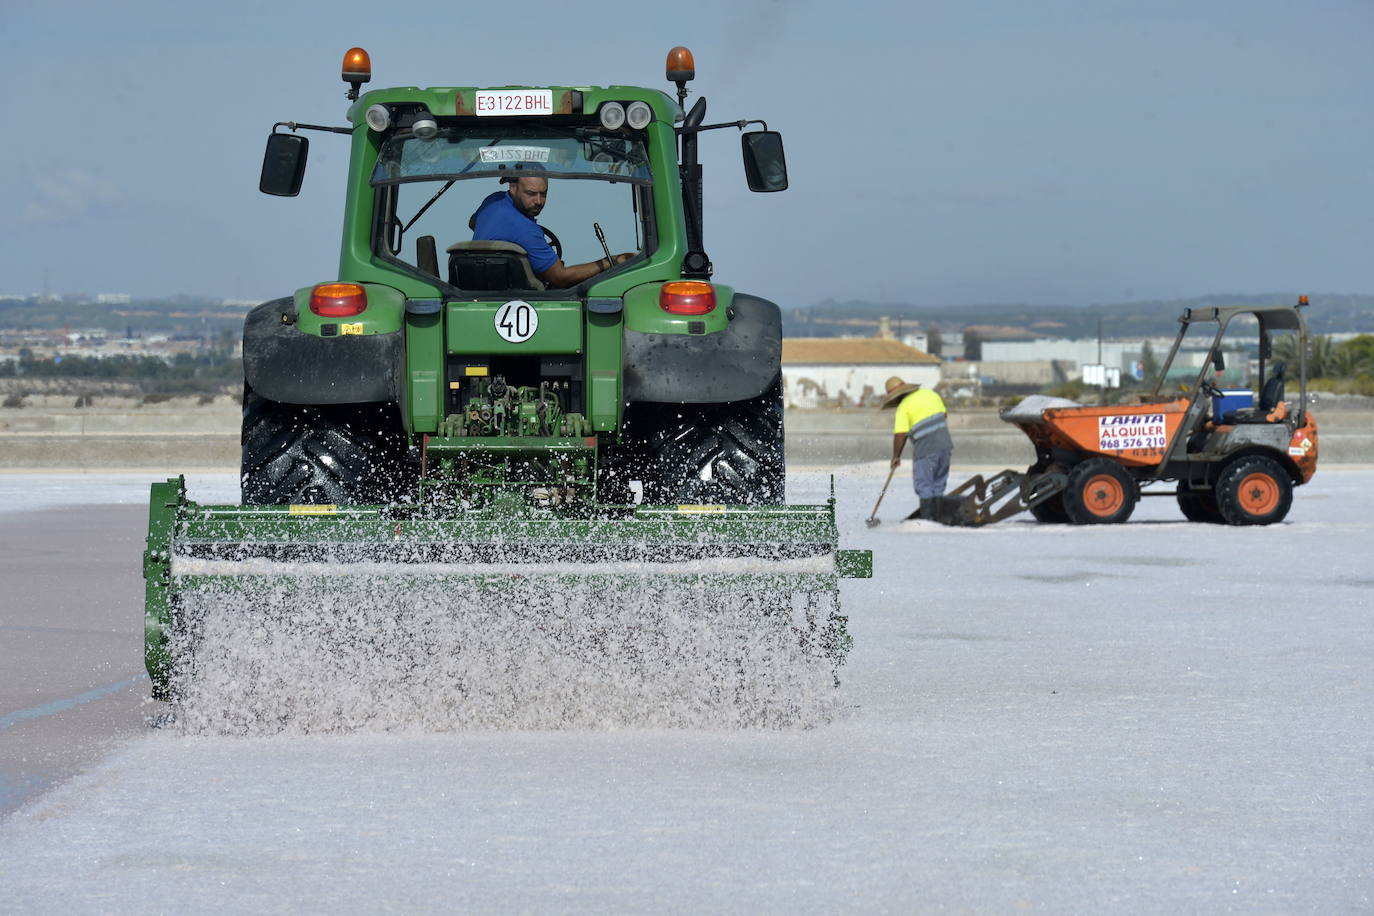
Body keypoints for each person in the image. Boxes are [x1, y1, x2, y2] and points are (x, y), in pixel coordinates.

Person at [469, 175, 633, 288]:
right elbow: (561, 278)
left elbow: (472, 223)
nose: (539, 201)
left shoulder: (493, 200)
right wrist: (610, 261)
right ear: (513, 187)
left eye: (543, 193)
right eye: (531, 194)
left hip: (474, 286)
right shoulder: (526, 231)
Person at [883, 376, 952, 516]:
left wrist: (896, 456)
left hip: (926, 450)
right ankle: (938, 520)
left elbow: (900, 434)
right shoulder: (930, 394)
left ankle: (928, 523)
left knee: (924, 486)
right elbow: (944, 415)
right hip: (945, 446)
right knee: (938, 485)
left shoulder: (904, 407)